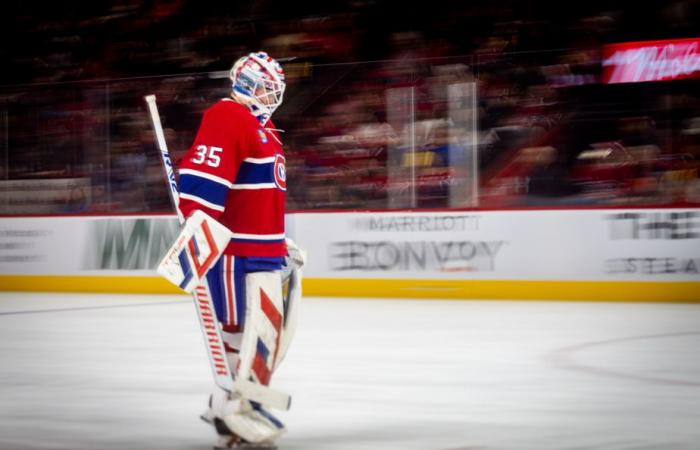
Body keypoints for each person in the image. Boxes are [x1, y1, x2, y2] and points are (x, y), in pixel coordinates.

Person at [176, 51, 301, 449]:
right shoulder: (228, 116)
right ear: (245, 82)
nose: (271, 94)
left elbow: (261, 198)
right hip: (236, 255)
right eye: (265, 85)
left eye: (274, 87)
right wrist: (197, 229)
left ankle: (234, 406)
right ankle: (233, 416)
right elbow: (200, 187)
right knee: (239, 336)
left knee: (263, 340)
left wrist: (280, 242)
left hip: (264, 253)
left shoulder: (265, 129)